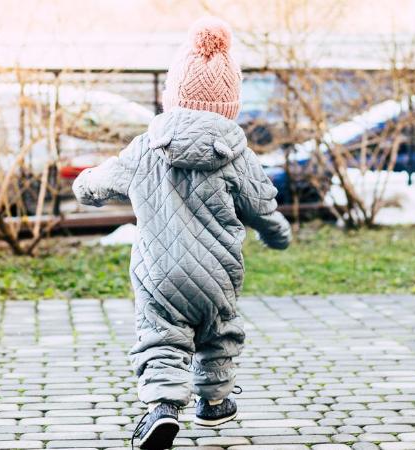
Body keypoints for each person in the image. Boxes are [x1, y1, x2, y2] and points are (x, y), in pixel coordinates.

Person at [72, 16, 291, 450]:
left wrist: (85, 183)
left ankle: (164, 409)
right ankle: (214, 403)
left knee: (160, 337)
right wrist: (276, 232)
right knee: (219, 332)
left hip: (158, 271)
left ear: (172, 95)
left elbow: (100, 182)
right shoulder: (237, 157)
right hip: (218, 274)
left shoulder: (146, 147)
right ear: (230, 105)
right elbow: (263, 205)